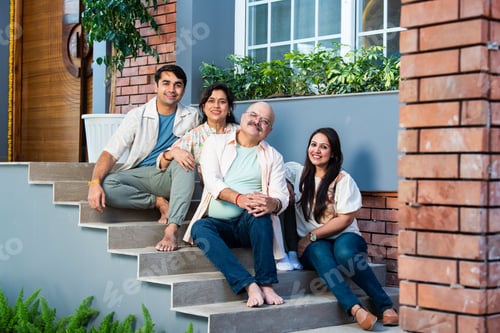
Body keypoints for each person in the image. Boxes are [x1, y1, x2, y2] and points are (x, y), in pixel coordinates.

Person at [285, 127, 398, 331]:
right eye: (313, 145)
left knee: (345, 253)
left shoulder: (343, 180)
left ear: (333, 153)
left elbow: (345, 220)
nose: (316, 150)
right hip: (315, 246)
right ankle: (355, 309)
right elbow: (271, 170)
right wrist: (287, 186)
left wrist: (310, 236)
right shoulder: (295, 172)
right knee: (320, 251)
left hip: (344, 237)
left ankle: (385, 306)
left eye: (324, 147)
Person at [183, 101, 289, 307]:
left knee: (261, 214)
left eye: (264, 121)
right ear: (243, 116)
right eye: (254, 115)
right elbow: (211, 181)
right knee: (199, 228)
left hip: (249, 225)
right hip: (218, 224)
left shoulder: (274, 156)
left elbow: (281, 196)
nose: (257, 121)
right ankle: (249, 284)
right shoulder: (216, 143)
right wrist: (239, 198)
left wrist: (272, 203)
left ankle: (266, 284)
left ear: (268, 130)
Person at [87, 64, 201, 252]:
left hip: (171, 175)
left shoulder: (192, 116)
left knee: (185, 162)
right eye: (166, 83)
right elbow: (110, 152)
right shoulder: (137, 116)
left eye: (178, 85)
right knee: (108, 184)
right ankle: (158, 201)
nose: (172, 90)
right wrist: (94, 183)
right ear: (155, 86)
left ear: (184, 89)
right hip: (143, 175)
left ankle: (172, 229)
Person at [154, 82, 239, 251]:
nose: (216, 105)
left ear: (229, 108)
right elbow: (161, 163)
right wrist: (172, 153)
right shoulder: (196, 135)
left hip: (241, 191)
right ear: (203, 107)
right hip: (215, 198)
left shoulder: (240, 133)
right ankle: (171, 228)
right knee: (184, 163)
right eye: (211, 101)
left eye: (222, 102)